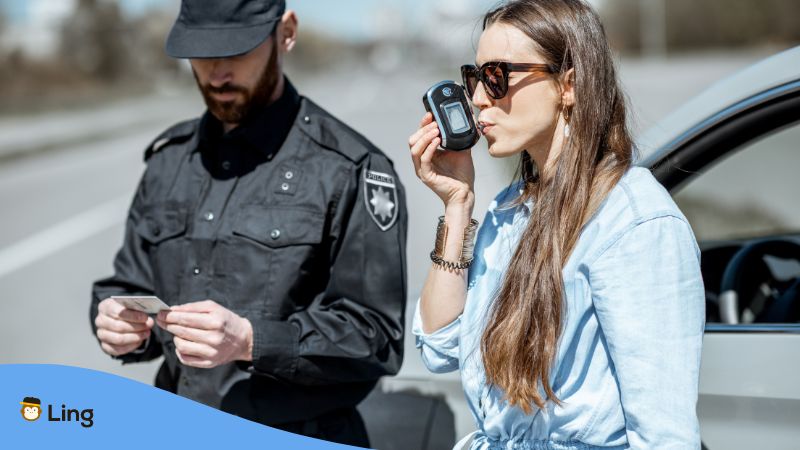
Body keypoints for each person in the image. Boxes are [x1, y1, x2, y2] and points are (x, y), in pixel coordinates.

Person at [89, 0, 407, 446]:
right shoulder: (168, 161)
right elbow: (127, 283)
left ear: (286, 34)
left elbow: (377, 338)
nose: (217, 74)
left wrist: (251, 340)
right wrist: (117, 322)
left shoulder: (348, 168)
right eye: (201, 53)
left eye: (237, 52)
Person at [408, 0, 705, 448]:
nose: (478, 98)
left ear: (568, 85)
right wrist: (457, 204)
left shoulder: (635, 221)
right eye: (474, 78)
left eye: (497, 77)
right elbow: (439, 346)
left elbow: (666, 438)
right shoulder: (510, 210)